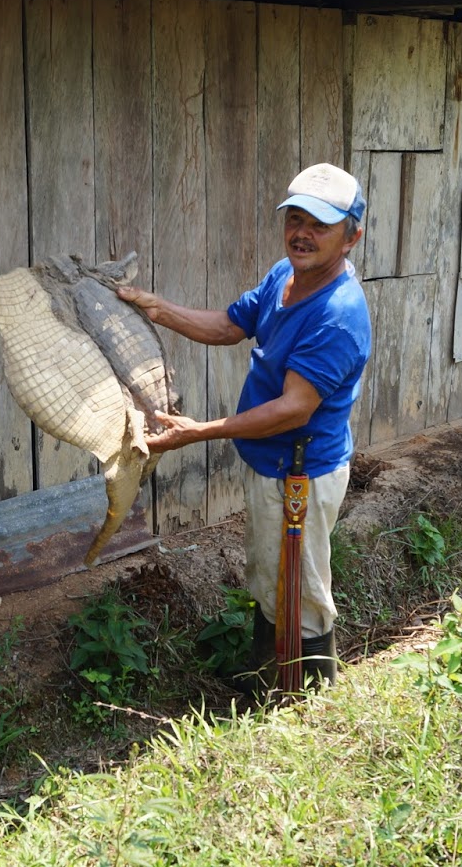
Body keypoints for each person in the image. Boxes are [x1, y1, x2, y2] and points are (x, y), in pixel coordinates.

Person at [116, 163, 372, 690]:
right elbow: (232, 324)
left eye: (320, 224)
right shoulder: (286, 276)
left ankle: (308, 701)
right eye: (295, 218)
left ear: (352, 237)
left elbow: (293, 408)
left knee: (302, 586)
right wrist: (157, 309)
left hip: (302, 472)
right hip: (275, 462)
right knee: (273, 573)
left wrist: (199, 432)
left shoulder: (338, 314)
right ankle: (266, 675)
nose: (302, 233)